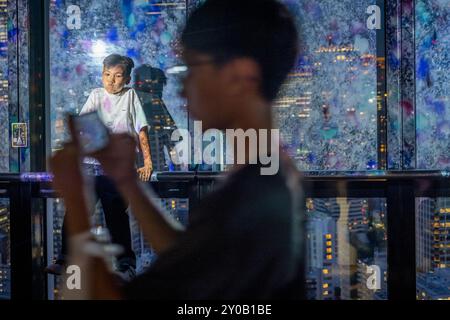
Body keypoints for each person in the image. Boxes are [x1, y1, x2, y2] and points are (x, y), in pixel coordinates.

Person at [50, 0, 305, 299]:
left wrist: (78, 207)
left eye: (192, 69)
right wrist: (127, 181)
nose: (183, 89)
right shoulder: (267, 173)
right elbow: (191, 262)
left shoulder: (251, 197)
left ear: (239, 76)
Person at [46, 54, 153, 280]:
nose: (111, 81)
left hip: (116, 169)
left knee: (116, 213)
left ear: (127, 78)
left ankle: (126, 264)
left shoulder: (131, 96)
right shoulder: (96, 95)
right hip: (92, 166)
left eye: (117, 76)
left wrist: (147, 161)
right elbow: (82, 125)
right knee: (77, 209)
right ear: (101, 74)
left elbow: (142, 128)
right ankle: (65, 258)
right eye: (107, 75)